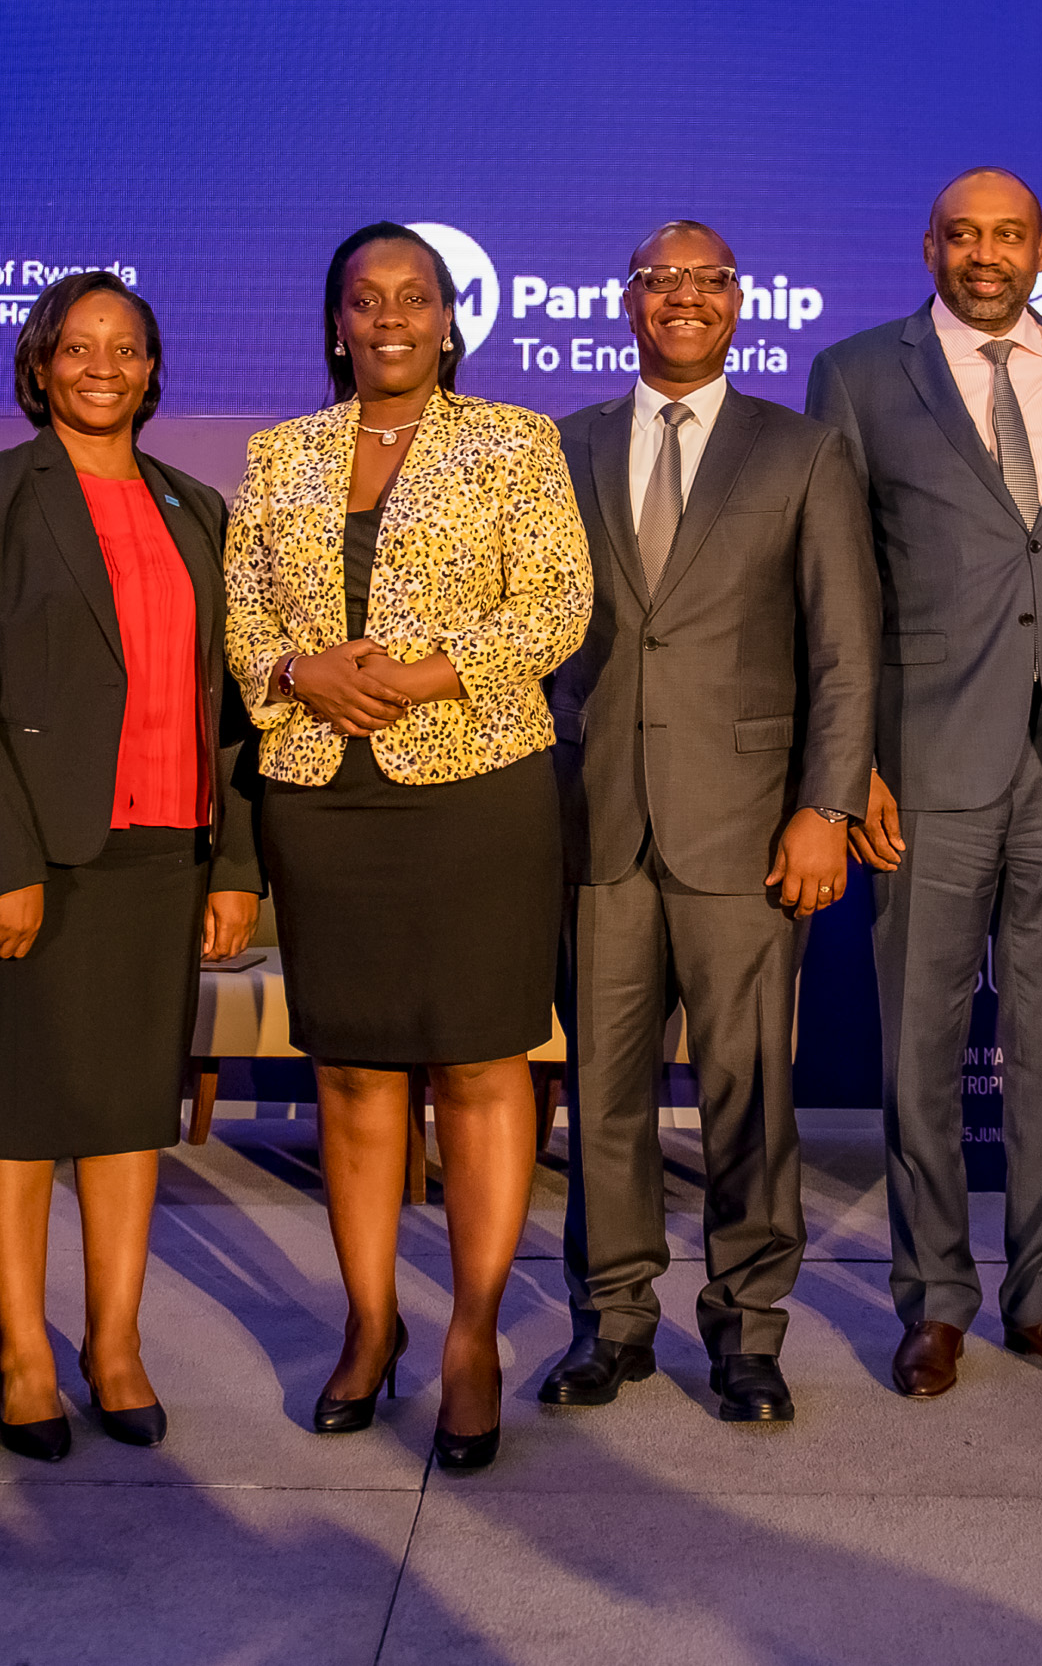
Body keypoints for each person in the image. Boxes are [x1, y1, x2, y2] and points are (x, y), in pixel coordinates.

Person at [225, 223, 591, 1473]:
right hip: (322, 796)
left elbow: (556, 604)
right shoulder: (278, 455)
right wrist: (299, 673)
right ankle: (370, 1322)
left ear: (447, 319)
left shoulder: (515, 441)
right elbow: (241, 623)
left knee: (483, 1065)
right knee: (352, 1072)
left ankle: (472, 1336)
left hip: (477, 787)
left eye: (414, 296)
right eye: (365, 299)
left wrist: (418, 677)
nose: (390, 317)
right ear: (336, 324)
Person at [0, 271, 261, 1464]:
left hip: (163, 855)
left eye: (125, 347)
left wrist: (234, 864)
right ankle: (21, 1356)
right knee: (13, 1115)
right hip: (34, 859)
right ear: (40, 364)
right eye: (77, 345)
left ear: (152, 371)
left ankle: (115, 1347)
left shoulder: (196, 507)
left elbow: (229, 707)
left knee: (124, 1111)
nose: (102, 365)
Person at [538, 222, 877, 1427]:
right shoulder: (559, 447)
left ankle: (748, 1330)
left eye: (708, 279)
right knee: (604, 1094)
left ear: (739, 303)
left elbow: (843, 651)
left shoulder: (802, 451)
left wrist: (824, 807)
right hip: (594, 825)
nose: (684, 296)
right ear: (626, 300)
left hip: (745, 829)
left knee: (748, 1098)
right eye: (661, 279)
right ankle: (611, 1322)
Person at [805, 167, 1042, 1403]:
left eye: (1006, 235)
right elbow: (837, 583)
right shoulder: (855, 373)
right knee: (920, 1049)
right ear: (928, 247)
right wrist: (852, 764)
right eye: (960, 235)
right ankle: (934, 1300)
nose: (983, 254)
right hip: (926, 758)